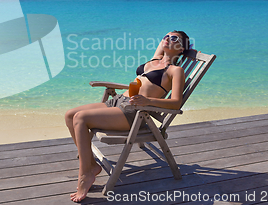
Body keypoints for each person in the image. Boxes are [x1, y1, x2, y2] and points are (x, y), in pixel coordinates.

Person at [64, 31, 190, 202]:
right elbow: (162, 45)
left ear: (181, 48)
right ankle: (91, 165)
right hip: (118, 101)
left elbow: (175, 102)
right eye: (166, 36)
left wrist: (147, 100)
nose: (167, 39)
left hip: (133, 112)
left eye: (174, 38)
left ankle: (85, 172)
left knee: (81, 118)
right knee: (70, 115)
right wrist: (168, 41)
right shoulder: (155, 60)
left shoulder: (175, 70)